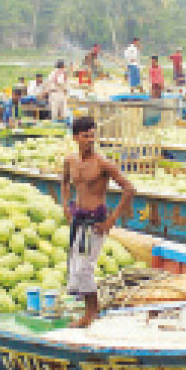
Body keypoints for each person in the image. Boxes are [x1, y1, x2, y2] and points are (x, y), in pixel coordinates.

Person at [60, 116, 135, 328]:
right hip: (78, 218)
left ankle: (90, 314)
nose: (90, 140)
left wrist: (111, 219)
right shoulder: (70, 161)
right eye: (85, 136)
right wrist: (66, 205)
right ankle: (90, 309)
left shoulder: (103, 164)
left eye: (92, 135)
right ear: (75, 137)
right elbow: (65, 182)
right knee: (75, 265)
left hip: (95, 221)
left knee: (85, 268)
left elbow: (129, 189)